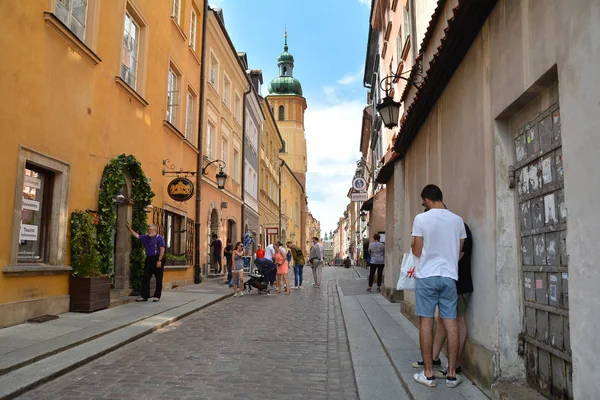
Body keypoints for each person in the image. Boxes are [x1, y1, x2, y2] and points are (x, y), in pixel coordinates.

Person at [411, 184, 466, 389]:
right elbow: (459, 250)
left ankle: (428, 374)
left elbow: (417, 250)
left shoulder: (421, 219)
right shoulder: (457, 220)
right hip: (449, 276)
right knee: (450, 322)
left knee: (427, 322)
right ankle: (452, 375)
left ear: (426, 200)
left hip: (427, 276)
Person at [126, 223, 165, 303]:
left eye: (150, 230)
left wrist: (159, 261)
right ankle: (144, 296)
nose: (149, 231)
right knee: (145, 277)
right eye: (148, 230)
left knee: (158, 278)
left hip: (157, 258)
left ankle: (157, 296)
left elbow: (162, 249)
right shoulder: (146, 237)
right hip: (149, 259)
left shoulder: (159, 238)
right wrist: (130, 230)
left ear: (155, 230)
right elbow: (137, 236)